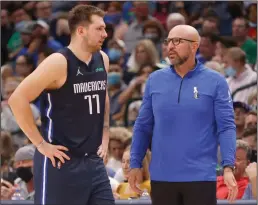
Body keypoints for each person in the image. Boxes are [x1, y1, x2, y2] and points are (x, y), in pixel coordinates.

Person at [8, 5, 114, 205]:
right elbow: (17, 99)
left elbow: (103, 96)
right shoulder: (58, 62)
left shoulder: (103, 59)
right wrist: (40, 145)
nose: (105, 34)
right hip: (61, 162)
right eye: (99, 29)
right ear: (81, 31)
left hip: (93, 160)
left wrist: (106, 133)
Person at [128, 25, 238, 205]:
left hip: (201, 177)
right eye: (168, 41)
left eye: (177, 41)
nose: (170, 46)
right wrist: (135, 164)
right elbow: (142, 126)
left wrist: (228, 166)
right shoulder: (155, 80)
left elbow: (226, 127)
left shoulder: (216, 81)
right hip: (162, 177)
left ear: (195, 46)